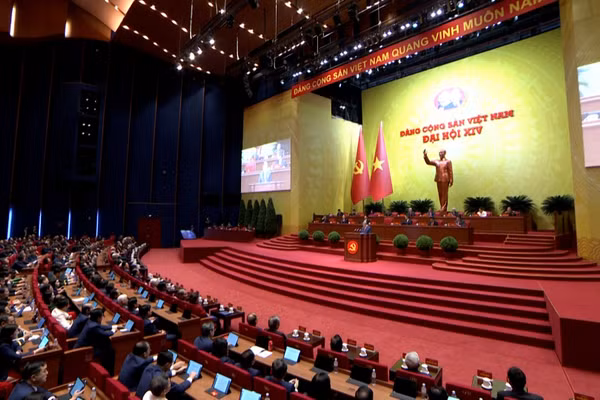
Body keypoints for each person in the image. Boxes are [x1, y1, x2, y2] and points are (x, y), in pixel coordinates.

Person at [8, 361, 83, 400]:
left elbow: (42, 390)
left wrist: (51, 396)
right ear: (33, 377)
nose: (47, 373)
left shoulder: (24, 383)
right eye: (44, 371)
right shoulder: (29, 395)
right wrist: (74, 398)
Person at [74, 308, 115, 374]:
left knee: (106, 345)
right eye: (102, 316)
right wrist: (113, 331)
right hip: (85, 350)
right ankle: (108, 371)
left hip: (84, 345)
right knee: (110, 351)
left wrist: (111, 327)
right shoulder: (94, 326)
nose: (102, 318)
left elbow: (100, 327)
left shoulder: (90, 322)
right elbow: (105, 334)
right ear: (98, 318)